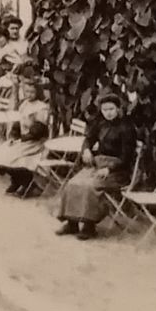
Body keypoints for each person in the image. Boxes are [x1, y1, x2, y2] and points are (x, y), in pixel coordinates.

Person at [55, 92, 140, 239]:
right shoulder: (100, 123)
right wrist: (86, 150)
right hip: (98, 164)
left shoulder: (127, 128)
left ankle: (89, 226)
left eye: (111, 109)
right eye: (105, 109)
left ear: (119, 109)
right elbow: (88, 139)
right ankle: (72, 223)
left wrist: (109, 168)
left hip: (117, 170)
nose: (108, 113)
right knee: (73, 183)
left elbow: (126, 158)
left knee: (90, 186)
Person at [0, 73, 51, 195]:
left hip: (35, 142)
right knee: (1, 153)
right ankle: (16, 180)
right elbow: (18, 122)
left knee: (13, 156)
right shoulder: (24, 104)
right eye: (27, 92)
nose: (29, 95)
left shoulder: (42, 107)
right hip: (23, 139)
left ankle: (27, 182)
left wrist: (24, 138)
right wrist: (14, 136)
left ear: (38, 92)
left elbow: (38, 130)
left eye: (32, 92)